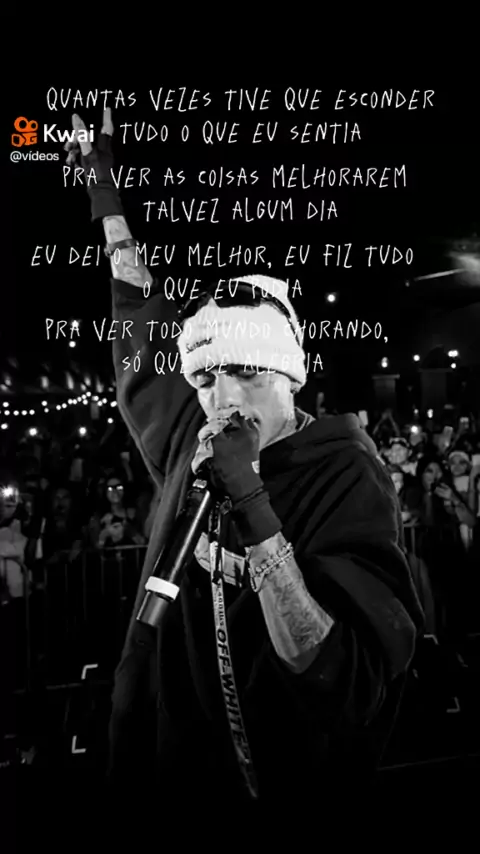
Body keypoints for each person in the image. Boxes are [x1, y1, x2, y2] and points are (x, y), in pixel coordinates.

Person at [67, 110, 424, 816]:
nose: (224, 399)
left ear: (290, 376)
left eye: (246, 373)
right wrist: (103, 191)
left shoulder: (345, 469)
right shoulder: (191, 434)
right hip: (178, 780)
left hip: (284, 786)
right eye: (205, 378)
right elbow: (137, 306)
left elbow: (336, 675)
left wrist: (256, 510)